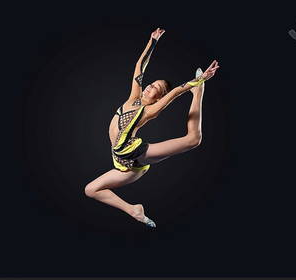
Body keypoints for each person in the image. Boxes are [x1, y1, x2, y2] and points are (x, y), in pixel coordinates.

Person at [84, 28, 220, 227]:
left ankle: (199, 92)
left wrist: (199, 80)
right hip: (122, 163)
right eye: (152, 83)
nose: (151, 86)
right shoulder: (133, 97)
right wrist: (152, 42)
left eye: (157, 88)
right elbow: (140, 67)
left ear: (157, 97)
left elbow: (174, 93)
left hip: (134, 153)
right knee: (90, 190)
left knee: (193, 139)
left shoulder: (150, 110)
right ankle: (134, 210)